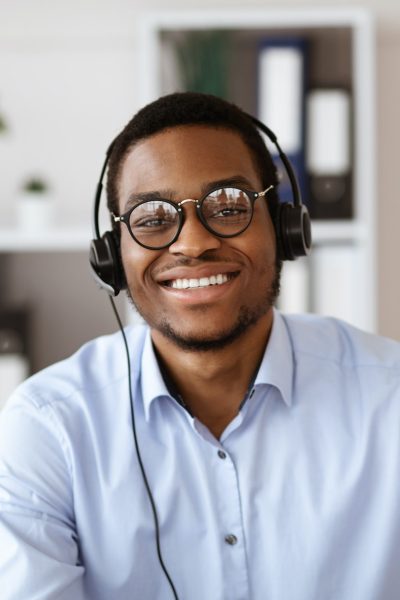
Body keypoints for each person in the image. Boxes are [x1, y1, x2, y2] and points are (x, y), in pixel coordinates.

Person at [1, 92, 400, 600]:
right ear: (111, 256)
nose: (191, 244)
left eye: (228, 207)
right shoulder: (49, 427)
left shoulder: (390, 400)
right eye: (151, 219)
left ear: (283, 228)